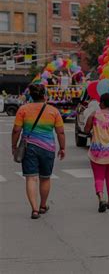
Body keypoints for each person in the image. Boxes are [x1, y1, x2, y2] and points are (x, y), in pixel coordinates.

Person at [11, 84, 65, 219]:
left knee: (31, 177)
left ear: (31, 95)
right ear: (44, 95)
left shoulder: (23, 109)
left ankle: (34, 209)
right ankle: (43, 205)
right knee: (45, 178)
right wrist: (62, 148)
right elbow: (61, 132)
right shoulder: (53, 111)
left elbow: (16, 130)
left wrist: (14, 146)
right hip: (48, 148)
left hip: (29, 147)